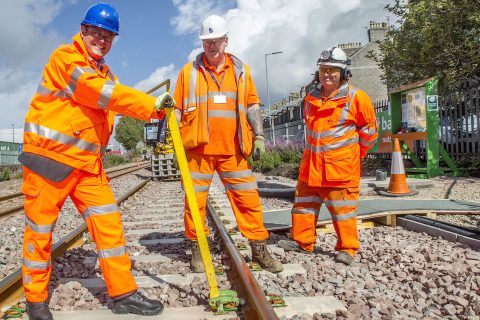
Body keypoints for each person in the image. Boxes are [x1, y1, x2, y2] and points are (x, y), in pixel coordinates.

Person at [19, 3, 173, 319]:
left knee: (109, 225)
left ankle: (123, 294)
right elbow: (94, 92)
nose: (102, 40)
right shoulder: (66, 58)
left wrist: (155, 110)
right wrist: (148, 104)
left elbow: (107, 99)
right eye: (97, 33)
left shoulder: (106, 73)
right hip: (50, 161)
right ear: (84, 30)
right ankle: (35, 301)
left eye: (108, 36)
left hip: (88, 165)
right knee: (40, 230)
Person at [173, 15, 283, 274]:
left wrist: (258, 135)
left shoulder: (241, 71)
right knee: (195, 202)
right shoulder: (188, 73)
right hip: (199, 151)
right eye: (207, 41)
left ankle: (258, 248)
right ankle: (200, 250)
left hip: (234, 150)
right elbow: (176, 109)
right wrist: (171, 133)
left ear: (226, 41)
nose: (212, 46)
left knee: (248, 200)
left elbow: (253, 105)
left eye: (216, 40)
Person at [278, 47, 378, 265]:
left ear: (343, 73)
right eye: (324, 69)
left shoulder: (357, 98)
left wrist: (354, 155)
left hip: (340, 169)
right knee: (304, 205)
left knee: (343, 211)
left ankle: (347, 248)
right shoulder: (311, 99)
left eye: (333, 70)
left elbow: (369, 134)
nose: (327, 74)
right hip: (312, 166)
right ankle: (303, 242)